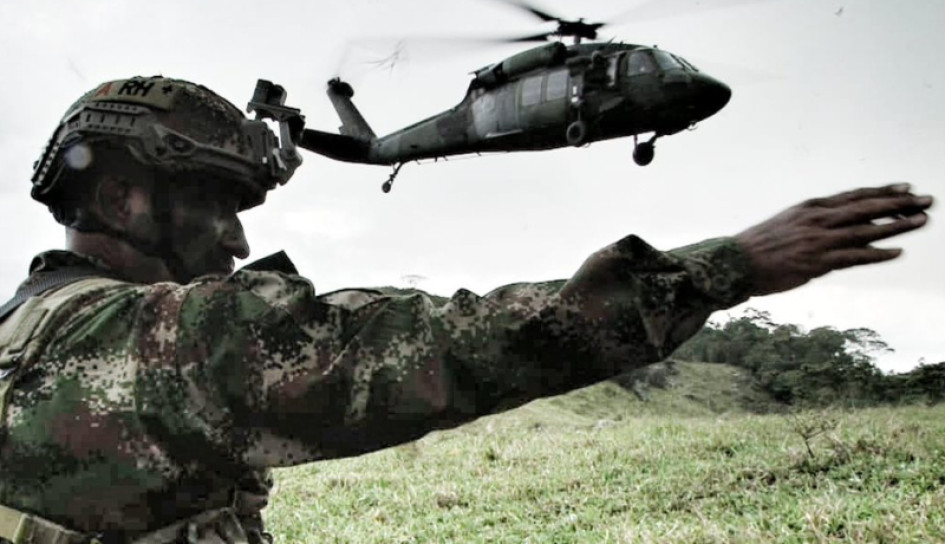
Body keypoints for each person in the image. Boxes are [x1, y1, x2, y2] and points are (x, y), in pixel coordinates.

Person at [0, 75, 932, 544]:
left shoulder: (22, 333)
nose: (238, 243)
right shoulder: (170, 342)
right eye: (218, 205)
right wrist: (729, 264)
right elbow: (448, 345)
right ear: (123, 200)